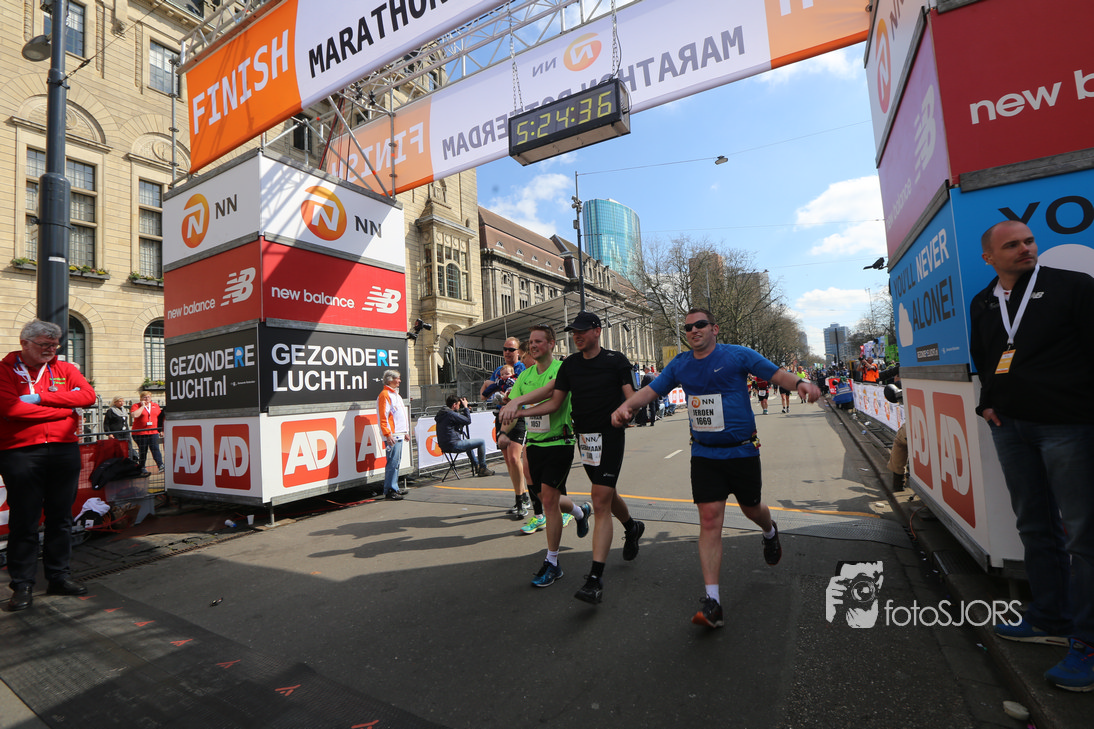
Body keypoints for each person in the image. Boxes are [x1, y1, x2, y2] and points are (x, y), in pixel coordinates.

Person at [611, 308, 821, 628]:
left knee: (752, 509)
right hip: (705, 454)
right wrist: (627, 406)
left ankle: (769, 531)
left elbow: (777, 375)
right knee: (709, 520)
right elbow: (651, 391)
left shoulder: (738, 355)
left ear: (715, 328)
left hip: (742, 451)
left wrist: (801, 383)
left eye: (700, 325)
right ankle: (713, 602)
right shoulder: (680, 363)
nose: (693, 330)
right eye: (688, 327)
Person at [969, 219, 1094, 691]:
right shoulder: (984, 302)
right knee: (1035, 525)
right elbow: (986, 358)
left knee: (1083, 534)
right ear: (989, 258)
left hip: (1068, 427)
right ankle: (1049, 617)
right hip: (1011, 428)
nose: (1025, 248)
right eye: (1012, 245)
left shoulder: (1073, 286)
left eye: (1029, 241)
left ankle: (1088, 643)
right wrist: (987, 404)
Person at [502, 312, 644, 605]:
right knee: (606, 494)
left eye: (582, 330)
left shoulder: (616, 360)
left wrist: (627, 411)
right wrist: (519, 407)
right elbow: (553, 399)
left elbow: (633, 397)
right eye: (573, 331)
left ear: (597, 331)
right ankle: (632, 527)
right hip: (585, 439)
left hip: (609, 436)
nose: (576, 335)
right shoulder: (571, 365)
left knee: (600, 499)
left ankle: (595, 579)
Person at [0, 319, 97, 611]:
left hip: (63, 450)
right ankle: (22, 584)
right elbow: (11, 409)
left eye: (54, 345)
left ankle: (59, 576)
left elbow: (88, 396)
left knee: (61, 516)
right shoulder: (5, 370)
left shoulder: (64, 368)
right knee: (24, 519)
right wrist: (64, 411)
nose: (51, 350)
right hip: (21, 452)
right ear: (24, 343)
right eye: (45, 345)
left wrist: (42, 398)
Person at [496, 324, 591, 590]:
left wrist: (517, 408)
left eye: (539, 341)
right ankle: (580, 511)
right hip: (535, 445)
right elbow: (510, 409)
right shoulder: (525, 376)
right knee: (545, 498)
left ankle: (552, 562)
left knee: (548, 501)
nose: (533, 345)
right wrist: (503, 433)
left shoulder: (561, 369)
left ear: (551, 344)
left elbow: (552, 399)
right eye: (531, 341)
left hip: (560, 442)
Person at [482, 337, 529, 516]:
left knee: (515, 458)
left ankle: (522, 500)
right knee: (509, 461)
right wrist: (491, 388)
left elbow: (520, 391)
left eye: (511, 349)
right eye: (505, 349)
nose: (507, 352)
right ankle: (521, 495)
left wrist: (504, 393)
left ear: (518, 352)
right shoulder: (499, 370)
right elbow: (487, 392)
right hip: (501, 416)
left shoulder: (523, 367)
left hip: (518, 416)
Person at [435, 395, 494, 477]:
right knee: (481, 442)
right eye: (459, 405)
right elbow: (467, 421)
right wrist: (466, 407)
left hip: (444, 446)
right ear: (454, 405)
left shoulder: (443, 414)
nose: (459, 407)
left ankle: (477, 466)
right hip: (453, 445)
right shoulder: (450, 414)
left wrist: (466, 411)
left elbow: (459, 419)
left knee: (468, 443)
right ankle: (483, 468)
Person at [377, 370, 410, 501]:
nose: (400, 380)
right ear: (390, 380)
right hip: (393, 435)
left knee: (396, 462)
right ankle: (390, 489)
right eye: (398, 378)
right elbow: (383, 416)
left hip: (398, 434)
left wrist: (405, 432)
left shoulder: (395, 394)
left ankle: (394, 487)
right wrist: (387, 434)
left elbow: (399, 416)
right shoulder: (385, 395)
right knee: (392, 462)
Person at [130, 391, 163, 471]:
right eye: (145, 397)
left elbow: (160, 418)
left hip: (153, 432)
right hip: (140, 433)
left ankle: (160, 465)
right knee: (143, 450)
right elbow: (135, 415)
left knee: (155, 448)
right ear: (141, 398)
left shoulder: (155, 405)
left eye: (148, 397)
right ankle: (142, 467)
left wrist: (161, 430)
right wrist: (143, 406)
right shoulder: (136, 406)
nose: (147, 399)